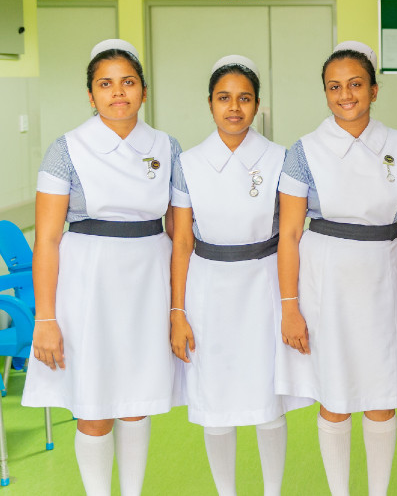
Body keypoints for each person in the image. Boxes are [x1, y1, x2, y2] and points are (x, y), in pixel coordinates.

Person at [22, 39, 180, 496]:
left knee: (135, 402)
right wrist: (46, 319)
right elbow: (47, 240)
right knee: (94, 405)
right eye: (105, 84)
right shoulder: (66, 149)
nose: (118, 93)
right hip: (86, 282)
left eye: (128, 82)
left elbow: (180, 232)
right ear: (90, 95)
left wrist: (178, 307)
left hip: (149, 280)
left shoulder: (167, 147)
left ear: (143, 92)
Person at [275, 41, 397, 496]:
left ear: (374, 90)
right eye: (334, 87)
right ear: (325, 93)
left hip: (385, 277)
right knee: (334, 397)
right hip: (326, 281)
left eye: (355, 84)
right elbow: (290, 235)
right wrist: (290, 307)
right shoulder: (304, 151)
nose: (345, 95)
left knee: (380, 396)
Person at [170, 55, 305, 496]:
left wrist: (291, 305)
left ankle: (272, 490)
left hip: (263, 284)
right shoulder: (188, 163)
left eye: (244, 98)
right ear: (209, 103)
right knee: (215, 401)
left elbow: (291, 234)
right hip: (207, 286)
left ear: (258, 105)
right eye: (224, 98)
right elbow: (183, 242)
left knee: (267, 401)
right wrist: (178, 311)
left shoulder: (279, 157)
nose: (234, 107)